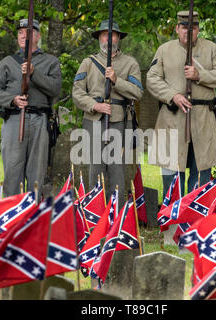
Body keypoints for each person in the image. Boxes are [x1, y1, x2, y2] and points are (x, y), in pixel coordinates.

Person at [146, 11, 216, 197]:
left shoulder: (211, 49)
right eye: (184, 28)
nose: (187, 32)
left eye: (192, 28)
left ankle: (196, 220)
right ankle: (172, 219)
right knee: (171, 171)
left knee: (201, 172)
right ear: (177, 29)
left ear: (198, 29)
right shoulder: (164, 50)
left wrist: (200, 75)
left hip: (203, 120)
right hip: (172, 119)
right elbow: (152, 79)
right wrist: (173, 95)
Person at [72, 20, 143, 206]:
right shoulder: (88, 62)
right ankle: (94, 213)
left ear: (118, 38)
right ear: (99, 38)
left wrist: (116, 80)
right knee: (95, 167)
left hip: (119, 120)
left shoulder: (130, 63)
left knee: (117, 169)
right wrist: (95, 106)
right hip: (93, 119)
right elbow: (77, 92)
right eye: (104, 34)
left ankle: (116, 215)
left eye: (112, 35)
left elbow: (138, 92)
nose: (108, 39)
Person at [0, 19, 62, 198]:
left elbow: (55, 89)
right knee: (12, 170)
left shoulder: (50, 61)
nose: (23, 36)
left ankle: (33, 215)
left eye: (28, 32)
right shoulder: (7, 62)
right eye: (20, 33)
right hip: (14, 119)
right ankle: (11, 215)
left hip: (39, 120)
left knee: (36, 171)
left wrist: (34, 73)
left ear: (37, 36)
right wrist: (12, 99)